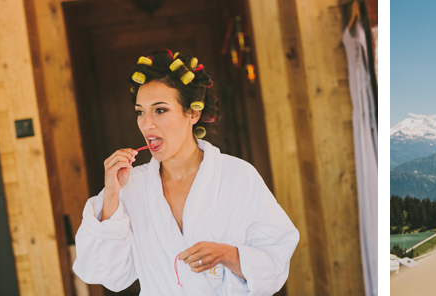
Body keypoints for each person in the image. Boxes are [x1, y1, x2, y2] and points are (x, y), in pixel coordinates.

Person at [73, 49, 299, 295]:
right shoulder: (131, 186)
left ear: (193, 113)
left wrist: (228, 255)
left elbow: (275, 259)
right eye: (140, 111)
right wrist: (111, 197)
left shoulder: (238, 177)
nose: (146, 124)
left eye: (160, 110)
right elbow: (108, 275)